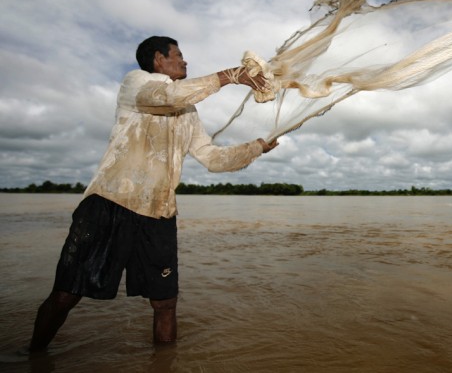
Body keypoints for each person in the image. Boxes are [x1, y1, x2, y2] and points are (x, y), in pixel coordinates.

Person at [29, 36, 278, 351]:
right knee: (67, 293)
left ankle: (164, 363)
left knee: (166, 303)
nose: (185, 61)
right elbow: (163, 97)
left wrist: (256, 148)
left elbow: (213, 159)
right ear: (159, 59)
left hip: (159, 214)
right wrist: (229, 76)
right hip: (110, 203)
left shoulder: (188, 112)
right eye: (179, 55)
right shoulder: (137, 83)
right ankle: (33, 355)